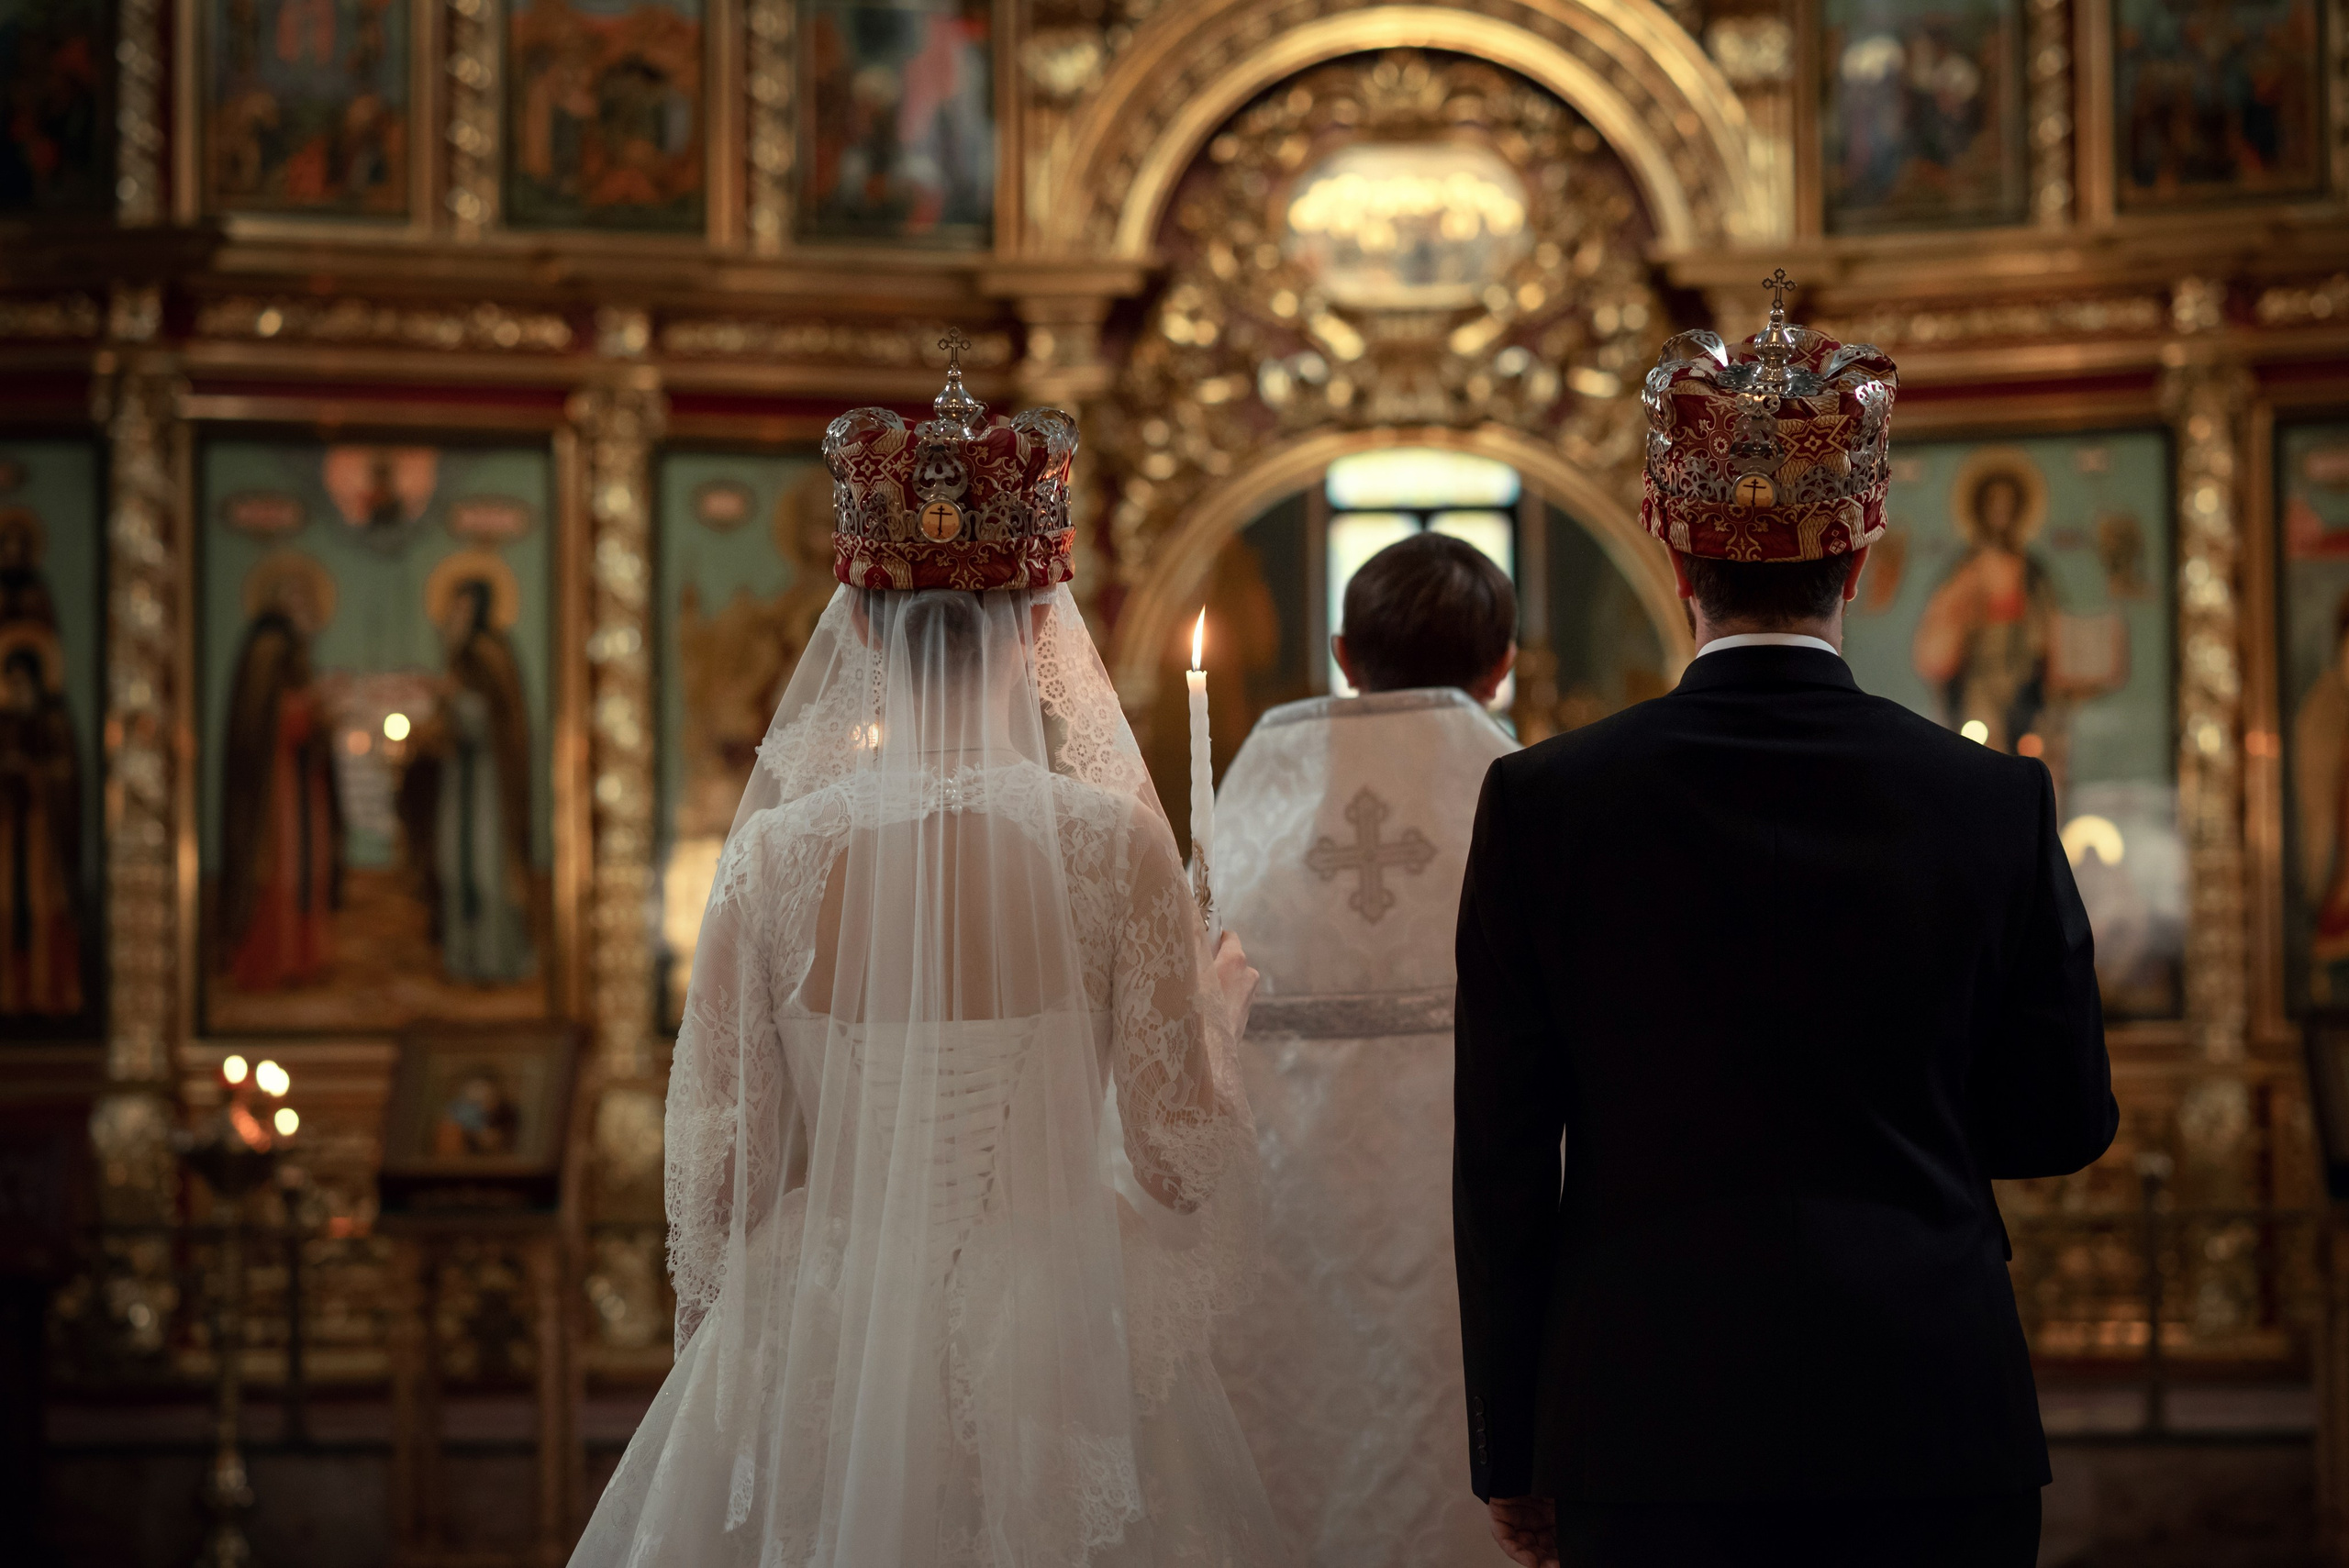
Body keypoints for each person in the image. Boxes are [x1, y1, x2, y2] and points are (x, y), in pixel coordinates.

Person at [572, 357, 1286, 1567]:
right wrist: (1216, 1020)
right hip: (1056, 1335)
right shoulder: (1113, 846)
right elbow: (1177, 1164)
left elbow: (728, 1171)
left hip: (827, 1326)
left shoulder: (775, 860)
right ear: (1044, 623)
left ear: (855, 620)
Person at [1453, 290, 2115, 1568]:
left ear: (1669, 549)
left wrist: (1513, 1447)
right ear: (1862, 552)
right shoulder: (1991, 800)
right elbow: (2063, 1121)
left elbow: (1501, 1163)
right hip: (1932, 1413)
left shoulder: (1543, 803)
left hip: (1644, 1423)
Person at [1212, 530, 1518, 1568]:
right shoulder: (1539, 802)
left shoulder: (1246, 811)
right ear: (1503, 663)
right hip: (1484, 1245)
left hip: (1294, 1240)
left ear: (1342, 654)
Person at [218, 572, 340, 992]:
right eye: (297, 600)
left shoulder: (295, 651)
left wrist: (319, 715)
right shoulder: (267, 648)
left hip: (301, 779)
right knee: (278, 871)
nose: (307, 610)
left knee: (307, 869)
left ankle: (303, 959)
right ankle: (269, 961)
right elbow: (263, 719)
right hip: (272, 788)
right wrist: (309, 709)